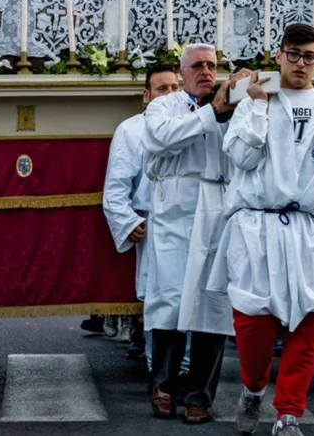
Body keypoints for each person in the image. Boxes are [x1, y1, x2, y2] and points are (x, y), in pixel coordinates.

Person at [212, 23, 314, 436]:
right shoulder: (257, 99)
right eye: (293, 53)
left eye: (308, 56)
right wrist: (254, 108)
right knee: (253, 325)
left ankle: (289, 414)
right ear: (280, 54)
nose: (301, 63)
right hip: (259, 226)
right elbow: (240, 158)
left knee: (306, 328)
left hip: (313, 230)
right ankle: (253, 389)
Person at [141, 43, 235, 424]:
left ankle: (200, 395)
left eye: (212, 65)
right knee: (171, 300)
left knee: (212, 303)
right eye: (197, 66)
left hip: (216, 206)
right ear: (182, 73)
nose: (206, 72)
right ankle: (163, 384)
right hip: (176, 208)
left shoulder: (232, 105)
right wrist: (212, 113)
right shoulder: (163, 106)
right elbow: (163, 137)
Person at [101, 64, 181, 361]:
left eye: (175, 88)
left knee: (194, 300)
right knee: (159, 300)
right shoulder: (132, 129)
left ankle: (187, 368)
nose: (170, 95)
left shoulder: (198, 123)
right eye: (162, 89)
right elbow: (116, 187)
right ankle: (157, 366)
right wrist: (128, 221)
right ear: (147, 96)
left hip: (195, 225)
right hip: (155, 224)